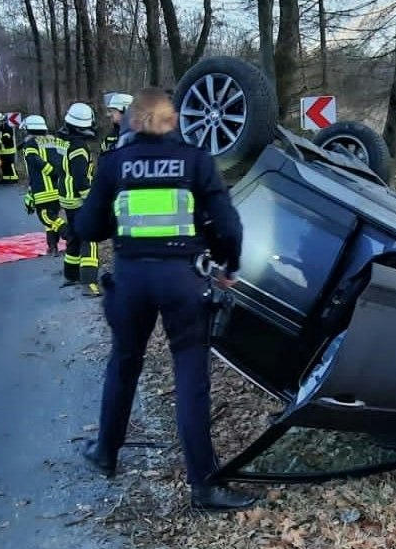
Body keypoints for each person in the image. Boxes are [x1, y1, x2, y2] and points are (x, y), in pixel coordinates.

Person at [73, 87, 257, 511]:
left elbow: (88, 226)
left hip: (132, 279)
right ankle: (204, 486)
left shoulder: (114, 164)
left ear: (133, 121)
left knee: (123, 363)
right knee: (190, 377)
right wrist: (228, 266)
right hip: (182, 280)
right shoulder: (196, 161)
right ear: (175, 121)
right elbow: (228, 225)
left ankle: (105, 452)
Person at [59, 103, 101, 295]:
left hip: (67, 199)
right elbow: (80, 179)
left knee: (75, 237)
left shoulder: (66, 143)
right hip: (78, 200)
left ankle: (71, 274)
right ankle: (89, 282)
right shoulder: (79, 148)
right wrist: (91, 201)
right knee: (89, 237)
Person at [19, 114, 69, 255]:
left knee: (46, 217)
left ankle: (70, 236)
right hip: (59, 188)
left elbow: (34, 160)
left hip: (44, 189)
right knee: (51, 217)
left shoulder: (30, 144)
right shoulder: (55, 140)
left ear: (29, 129)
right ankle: (52, 246)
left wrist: (50, 171)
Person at [0, 115, 20, 183]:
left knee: (10, 165)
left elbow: (6, 138)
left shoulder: (7, 128)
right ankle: (6, 179)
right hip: (2, 151)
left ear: (2, 121)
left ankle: (15, 178)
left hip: (9, 150)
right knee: (4, 165)